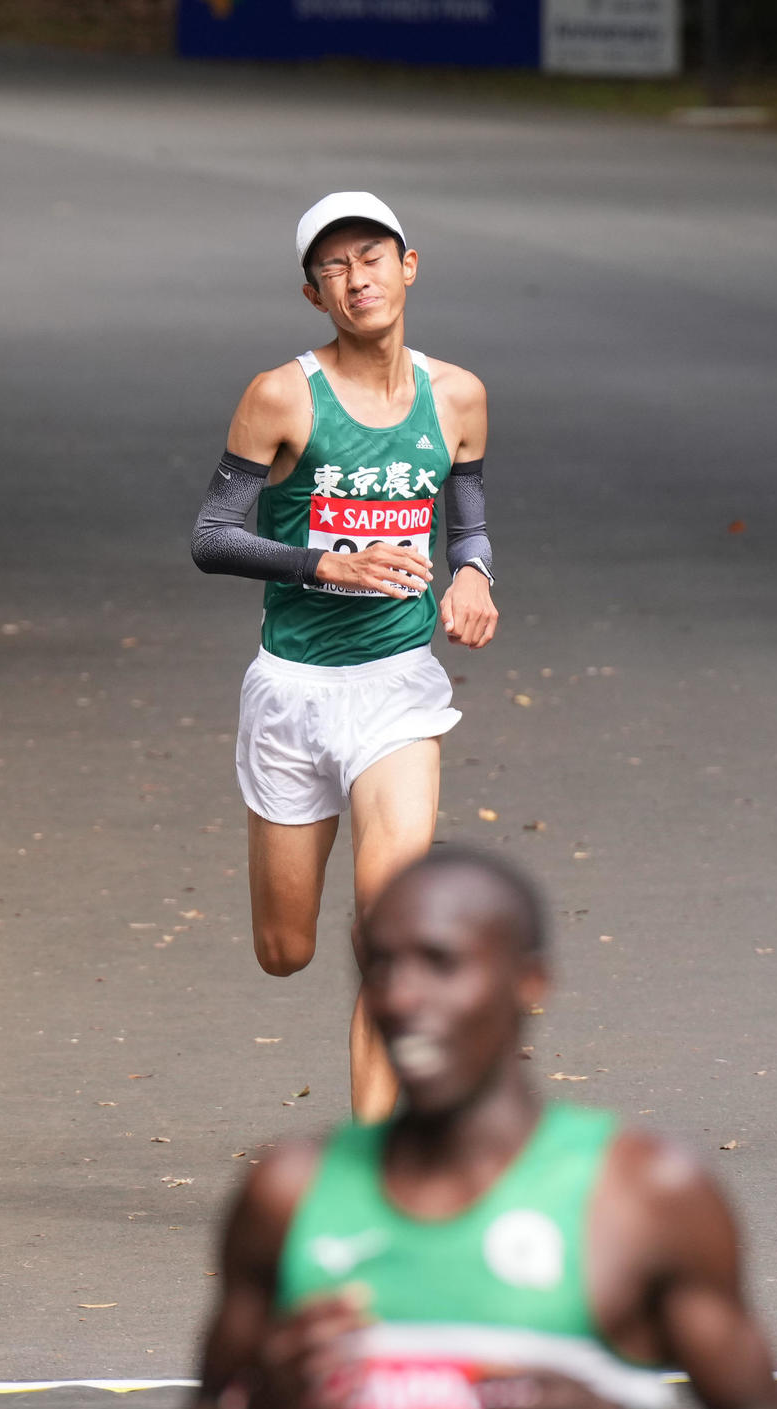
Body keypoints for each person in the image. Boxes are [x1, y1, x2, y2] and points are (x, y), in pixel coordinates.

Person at [176, 847, 777, 1409]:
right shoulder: (289, 1193)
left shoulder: (643, 1197)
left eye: (441, 963)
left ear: (528, 980)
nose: (402, 997)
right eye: (380, 966)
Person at [192, 192, 499, 1122]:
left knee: (392, 935)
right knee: (285, 949)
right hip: (294, 689)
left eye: (371, 256)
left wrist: (474, 575)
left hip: (399, 689)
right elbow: (211, 534)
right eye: (333, 267)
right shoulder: (282, 394)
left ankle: (372, 1168)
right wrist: (327, 562)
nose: (356, 277)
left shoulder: (460, 395)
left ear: (409, 265)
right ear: (312, 292)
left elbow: (468, 513)